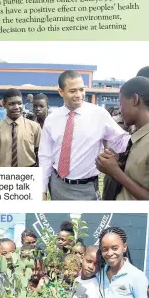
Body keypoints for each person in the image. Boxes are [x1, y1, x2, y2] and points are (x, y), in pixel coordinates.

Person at [38, 70, 131, 201]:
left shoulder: (99, 115)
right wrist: (42, 190)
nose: (79, 95)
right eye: (73, 91)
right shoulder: (52, 119)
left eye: (82, 89)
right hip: (57, 186)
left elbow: (122, 142)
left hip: (87, 189)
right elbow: (45, 157)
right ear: (61, 92)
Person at [97, 76, 149, 201]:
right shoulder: (138, 134)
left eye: (121, 103)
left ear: (135, 100)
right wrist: (114, 166)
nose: (120, 109)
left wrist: (116, 172)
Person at [0, 88, 41, 167]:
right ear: (4, 104)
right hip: (4, 176)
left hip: (29, 175)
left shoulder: (34, 127)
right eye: (11, 104)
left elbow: (39, 155)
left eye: (19, 103)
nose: (16, 107)